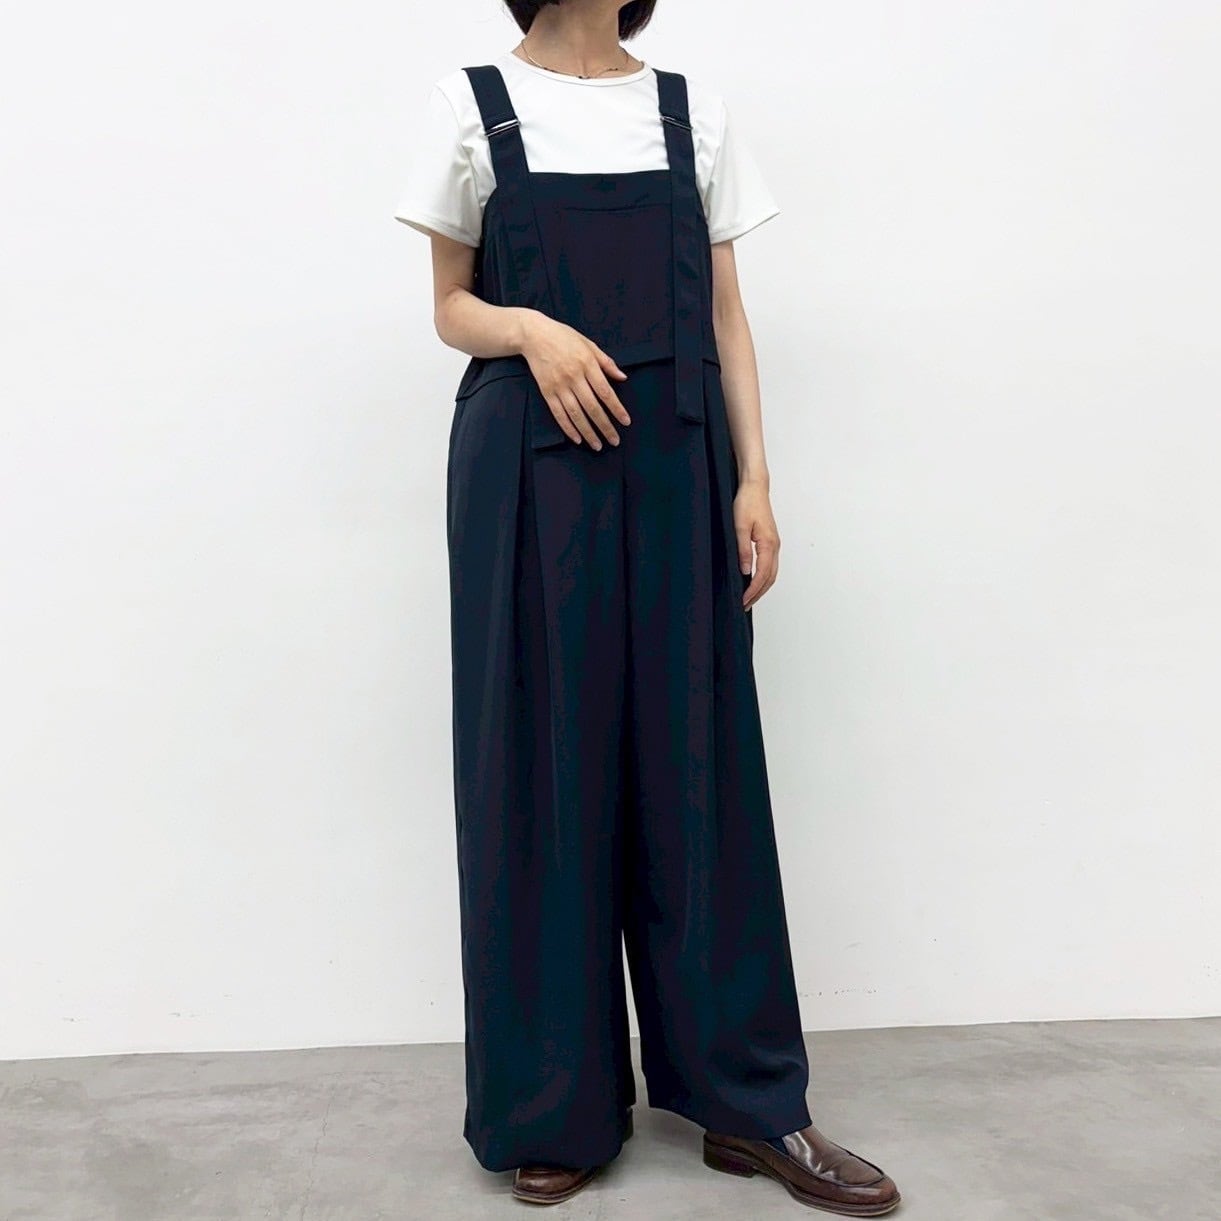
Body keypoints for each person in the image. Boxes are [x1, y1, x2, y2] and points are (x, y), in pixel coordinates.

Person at [393, 0, 901, 1212]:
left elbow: (726, 312)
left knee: (699, 768)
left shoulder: (690, 113)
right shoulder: (473, 105)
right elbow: (449, 305)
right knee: (542, 769)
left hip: (679, 459)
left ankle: (750, 1103)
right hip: (529, 466)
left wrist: (756, 477)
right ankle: (551, 1105)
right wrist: (531, 331)